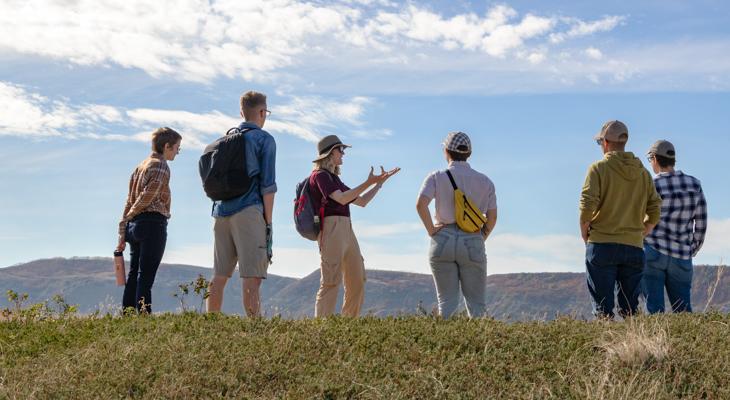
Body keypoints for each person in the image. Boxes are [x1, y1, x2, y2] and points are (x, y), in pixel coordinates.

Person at [309, 135, 399, 317]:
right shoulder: (320, 176)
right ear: (329, 153)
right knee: (330, 281)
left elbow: (362, 201)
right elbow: (342, 198)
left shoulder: (335, 179)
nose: (343, 154)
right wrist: (368, 182)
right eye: (340, 150)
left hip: (346, 230)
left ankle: (348, 325)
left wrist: (378, 185)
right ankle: (321, 329)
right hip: (331, 228)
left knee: (357, 279)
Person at [579, 120, 662, 319]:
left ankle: (608, 349)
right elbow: (655, 206)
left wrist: (585, 232)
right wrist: (645, 229)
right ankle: (633, 348)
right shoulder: (642, 172)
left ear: (606, 143)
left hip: (602, 244)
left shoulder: (598, 168)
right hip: (633, 246)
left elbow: (587, 205)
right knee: (630, 311)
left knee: (603, 311)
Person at [206, 91, 276, 317]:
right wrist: (268, 222)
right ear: (262, 112)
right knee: (252, 276)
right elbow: (268, 185)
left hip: (220, 211)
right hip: (249, 211)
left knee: (219, 275)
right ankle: (255, 329)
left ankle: (211, 325)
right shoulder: (264, 139)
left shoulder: (220, 142)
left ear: (241, 112)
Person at [416, 131, 497, 318]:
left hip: (442, 238)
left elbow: (421, 204)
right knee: (477, 305)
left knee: (446, 303)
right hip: (473, 239)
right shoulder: (485, 182)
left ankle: (446, 344)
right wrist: (480, 237)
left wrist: (431, 230)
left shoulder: (436, 177)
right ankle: (479, 345)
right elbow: (492, 217)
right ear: (469, 153)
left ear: (446, 151)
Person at [116, 127, 182, 313]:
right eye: (177, 147)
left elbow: (129, 199)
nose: (177, 152)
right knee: (146, 276)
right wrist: (131, 215)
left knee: (134, 273)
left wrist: (124, 225)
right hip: (152, 224)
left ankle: (127, 316)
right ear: (166, 146)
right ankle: (144, 317)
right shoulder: (160, 166)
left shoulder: (140, 166)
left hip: (134, 226)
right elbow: (147, 196)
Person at [643, 140, 707, 313]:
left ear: (655, 158)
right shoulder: (694, 184)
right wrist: (690, 250)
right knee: (684, 311)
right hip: (681, 254)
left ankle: (656, 341)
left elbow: (640, 220)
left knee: (654, 310)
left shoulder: (650, 185)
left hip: (653, 251)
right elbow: (701, 223)